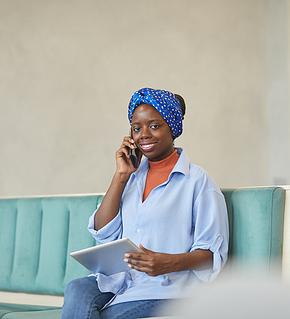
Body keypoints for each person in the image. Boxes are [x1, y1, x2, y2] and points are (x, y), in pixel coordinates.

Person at [61, 88, 229, 319]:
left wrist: (166, 263)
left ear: (172, 128)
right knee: (76, 287)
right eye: (136, 128)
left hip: (167, 290)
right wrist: (121, 176)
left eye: (154, 126)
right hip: (120, 282)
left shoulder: (198, 182)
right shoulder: (131, 177)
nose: (143, 135)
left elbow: (211, 254)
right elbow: (102, 232)